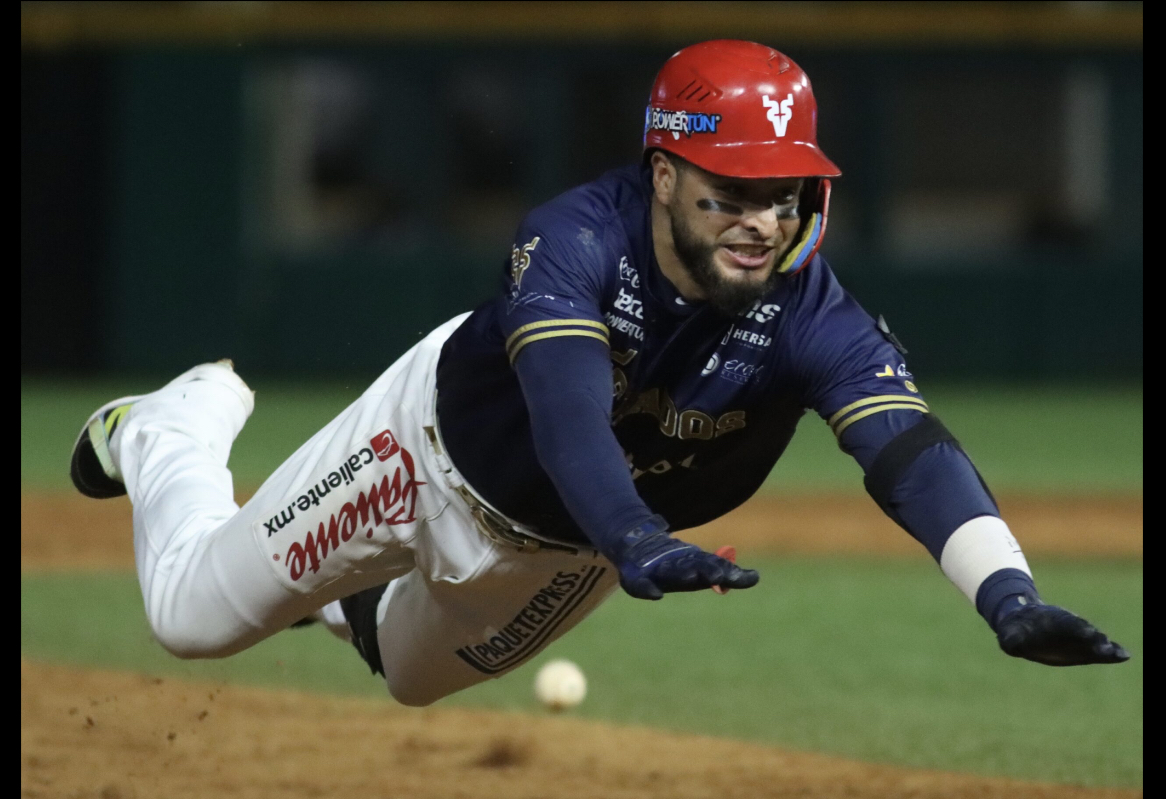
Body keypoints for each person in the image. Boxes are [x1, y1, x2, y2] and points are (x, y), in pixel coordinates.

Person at [70, 40, 1127, 707]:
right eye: (733, 189)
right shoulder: (574, 241)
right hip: (426, 457)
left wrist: (1005, 595)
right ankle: (175, 423)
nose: (764, 219)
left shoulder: (809, 306)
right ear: (664, 173)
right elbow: (567, 416)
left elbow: (905, 450)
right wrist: (632, 538)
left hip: (569, 549)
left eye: (787, 191)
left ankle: (338, 595)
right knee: (191, 622)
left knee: (405, 679)